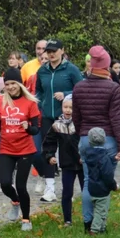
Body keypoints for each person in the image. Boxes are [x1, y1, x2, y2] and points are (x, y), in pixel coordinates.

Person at [71, 45, 120, 233]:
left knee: (88, 180)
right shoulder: (113, 88)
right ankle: (99, 224)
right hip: (108, 139)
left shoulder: (78, 87)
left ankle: (88, 223)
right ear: (107, 66)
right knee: (105, 180)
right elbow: (117, 119)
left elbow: (76, 118)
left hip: (86, 138)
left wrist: (81, 137)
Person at [0, 68, 41, 231]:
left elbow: (36, 129)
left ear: (20, 84)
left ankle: (26, 219)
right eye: (7, 84)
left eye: (13, 83)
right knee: (5, 183)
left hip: (25, 149)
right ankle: (15, 201)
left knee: (21, 185)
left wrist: (28, 128)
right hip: (6, 148)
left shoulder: (30, 103)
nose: (10, 87)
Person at [35, 39, 83, 202]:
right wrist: (42, 104)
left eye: (54, 50)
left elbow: (81, 89)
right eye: (48, 51)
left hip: (69, 117)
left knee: (71, 150)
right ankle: (50, 189)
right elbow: (38, 91)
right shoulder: (42, 71)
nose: (51, 53)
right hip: (48, 116)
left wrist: (66, 94)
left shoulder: (71, 69)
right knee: (48, 150)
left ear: (62, 50)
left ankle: (74, 187)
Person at [43, 96, 82, 226]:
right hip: (67, 164)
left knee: (87, 191)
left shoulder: (81, 124)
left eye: (71, 107)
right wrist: (50, 156)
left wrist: (86, 156)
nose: (68, 110)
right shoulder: (57, 125)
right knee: (67, 193)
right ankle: (67, 220)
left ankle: (90, 218)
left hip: (83, 163)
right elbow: (49, 142)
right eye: (65, 107)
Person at [83, 128, 117, 235]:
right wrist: (113, 185)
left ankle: (102, 228)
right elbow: (107, 175)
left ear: (89, 141)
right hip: (102, 189)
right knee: (100, 211)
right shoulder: (104, 158)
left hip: (92, 187)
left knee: (99, 209)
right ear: (104, 140)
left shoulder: (89, 156)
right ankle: (94, 230)